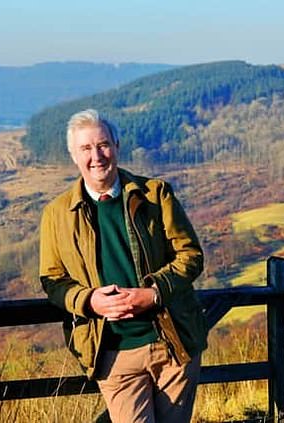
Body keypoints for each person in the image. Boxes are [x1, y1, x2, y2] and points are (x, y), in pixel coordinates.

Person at [39, 108, 207, 422]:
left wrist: (154, 292)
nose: (96, 156)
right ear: (74, 156)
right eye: (86, 149)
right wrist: (89, 301)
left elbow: (191, 255)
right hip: (113, 352)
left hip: (172, 344)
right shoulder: (57, 214)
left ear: (117, 146)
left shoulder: (155, 195)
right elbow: (52, 279)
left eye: (103, 145)